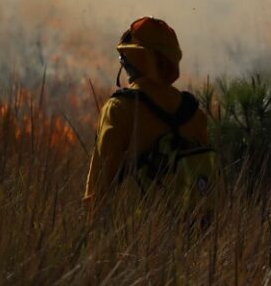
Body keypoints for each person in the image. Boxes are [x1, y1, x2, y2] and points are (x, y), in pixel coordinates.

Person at [83, 16, 215, 219]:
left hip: (136, 234)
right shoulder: (194, 113)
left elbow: (100, 184)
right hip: (192, 229)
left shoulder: (119, 109)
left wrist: (92, 231)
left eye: (123, 57)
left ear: (133, 60)